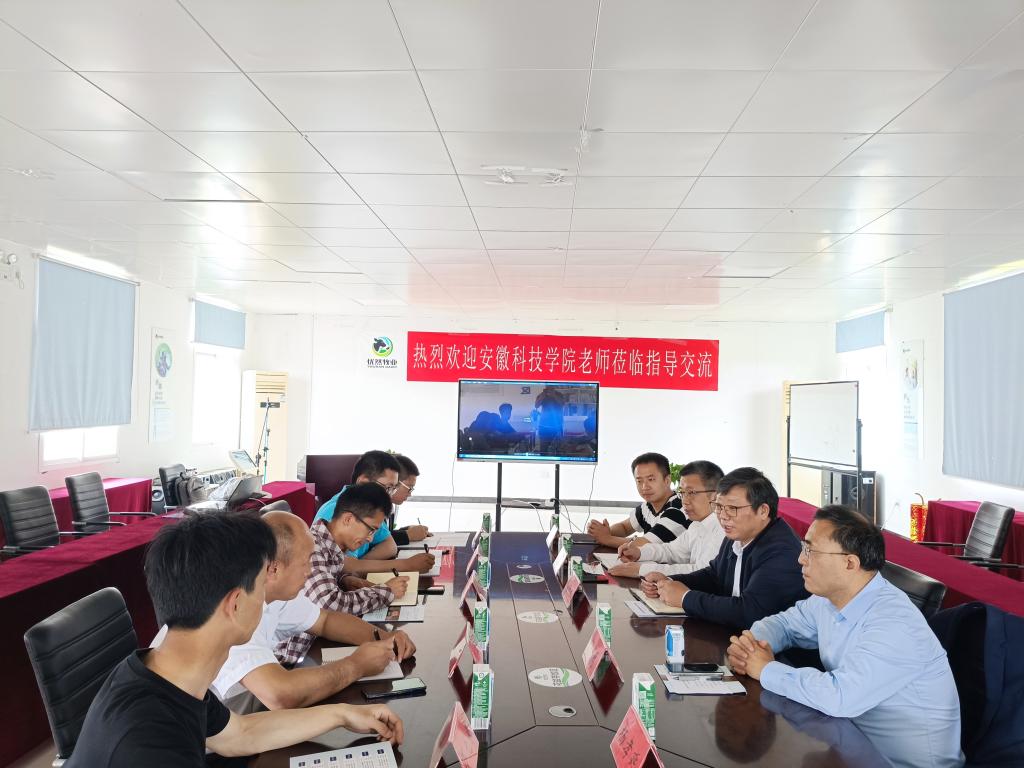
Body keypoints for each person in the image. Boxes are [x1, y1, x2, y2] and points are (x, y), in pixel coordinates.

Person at [67, 514, 403, 767]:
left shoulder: (172, 676)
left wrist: (342, 715)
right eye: (261, 586)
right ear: (236, 604)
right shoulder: (149, 743)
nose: (266, 598)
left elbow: (239, 734)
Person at [727, 505, 963, 768]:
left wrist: (765, 669)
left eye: (811, 550)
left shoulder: (894, 624)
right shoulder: (830, 598)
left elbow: (839, 697)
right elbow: (784, 624)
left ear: (850, 563)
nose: (801, 559)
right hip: (850, 745)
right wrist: (752, 646)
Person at [153, 510, 415, 713]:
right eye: (306, 561)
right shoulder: (231, 613)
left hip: (237, 723)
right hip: (227, 729)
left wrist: (384, 638)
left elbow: (325, 620)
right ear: (274, 569)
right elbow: (279, 695)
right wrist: (356, 665)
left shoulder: (271, 594)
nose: (311, 571)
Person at [642, 467, 807, 629]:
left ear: (763, 511)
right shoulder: (737, 535)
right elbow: (714, 575)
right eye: (719, 507)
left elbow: (749, 612)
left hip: (774, 645)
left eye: (733, 508)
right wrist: (668, 582)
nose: (723, 516)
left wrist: (685, 598)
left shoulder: (782, 551)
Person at [281, 483, 418, 665]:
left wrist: (344, 580)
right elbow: (330, 606)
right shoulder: (312, 546)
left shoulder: (331, 545)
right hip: (293, 660)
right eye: (370, 529)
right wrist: (387, 592)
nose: (370, 538)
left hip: (311, 648)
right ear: (348, 519)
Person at [314, 450, 435, 575]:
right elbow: (346, 566)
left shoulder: (370, 511)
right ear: (363, 482)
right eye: (387, 488)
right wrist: (406, 565)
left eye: (393, 489)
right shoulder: (336, 510)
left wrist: (360, 566)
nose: (389, 496)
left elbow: (390, 546)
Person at [610, 460, 725, 578]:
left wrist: (642, 570)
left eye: (691, 492)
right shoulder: (697, 524)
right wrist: (639, 552)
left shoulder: (724, 529)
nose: (684, 501)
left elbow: (702, 572)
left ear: (715, 495)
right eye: (682, 492)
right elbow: (671, 551)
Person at [587, 452, 688, 549]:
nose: (644, 487)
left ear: (667, 480)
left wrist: (607, 538)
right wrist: (604, 531)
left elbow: (645, 544)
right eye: (639, 481)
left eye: (651, 479)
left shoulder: (678, 509)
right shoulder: (647, 506)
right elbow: (624, 527)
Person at [390, 454, 430, 546]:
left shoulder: (390, 506)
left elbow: (385, 534)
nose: (410, 494)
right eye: (409, 488)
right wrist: (408, 535)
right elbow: (374, 541)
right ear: (395, 482)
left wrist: (406, 530)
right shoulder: (373, 507)